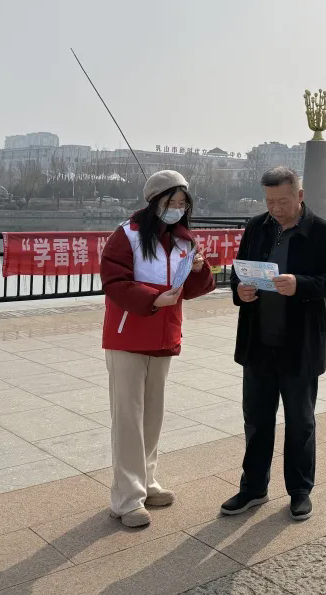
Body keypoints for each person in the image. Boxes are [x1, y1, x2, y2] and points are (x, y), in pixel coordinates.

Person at [221, 166, 326, 521]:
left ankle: (300, 490)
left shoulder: (322, 232)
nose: (275, 208)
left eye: (283, 201)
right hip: (258, 341)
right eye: (270, 201)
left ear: (299, 196)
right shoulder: (256, 227)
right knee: (257, 420)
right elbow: (239, 272)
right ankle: (253, 487)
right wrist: (240, 290)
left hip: (299, 344)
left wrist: (300, 284)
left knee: (300, 422)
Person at [101, 170, 215, 528]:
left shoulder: (184, 240)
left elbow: (194, 288)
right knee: (128, 418)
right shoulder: (126, 235)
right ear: (154, 202)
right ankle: (126, 498)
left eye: (182, 203)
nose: (177, 209)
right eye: (171, 202)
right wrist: (153, 299)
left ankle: (147, 482)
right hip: (128, 337)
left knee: (153, 414)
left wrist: (199, 269)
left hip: (164, 337)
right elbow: (114, 282)